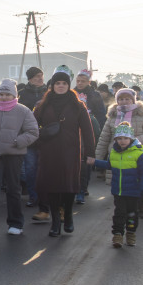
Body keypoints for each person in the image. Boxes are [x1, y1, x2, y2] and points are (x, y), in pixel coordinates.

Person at [32, 70, 95, 237]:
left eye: (64, 83)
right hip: (49, 151)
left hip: (71, 151)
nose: (61, 86)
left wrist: (90, 153)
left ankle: (67, 216)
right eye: (58, 83)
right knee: (52, 186)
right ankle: (55, 222)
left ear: (69, 86)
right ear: (52, 86)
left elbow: (88, 131)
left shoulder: (78, 105)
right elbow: (32, 126)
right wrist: (39, 142)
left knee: (69, 186)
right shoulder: (42, 105)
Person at [0, 79, 39, 237]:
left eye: (7, 94)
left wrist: (18, 142)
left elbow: (33, 132)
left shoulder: (23, 111)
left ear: (14, 95)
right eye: (1, 94)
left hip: (14, 156)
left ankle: (15, 223)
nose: (3, 97)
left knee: (13, 189)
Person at [93, 122, 143, 247]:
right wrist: (95, 162)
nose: (122, 141)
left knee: (132, 214)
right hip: (118, 191)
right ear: (115, 139)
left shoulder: (139, 154)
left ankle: (131, 232)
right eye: (119, 138)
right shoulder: (114, 152)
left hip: (134, 192)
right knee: (119, 213)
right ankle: (118, 235)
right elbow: (109, 165)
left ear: (131, 138)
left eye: (125, 138)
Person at [95, 89, 143, 161]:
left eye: (127, 99)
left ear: (133, 100)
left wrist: (134, 141)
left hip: (137, 155)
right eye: (121, 99)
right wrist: (98, 159)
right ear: (117, 101)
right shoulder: (112, 116)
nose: (124, 101)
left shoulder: (142, 114)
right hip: (115, 155)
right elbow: (104, 139)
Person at [18, 66, 47, 211]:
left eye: (41, 75)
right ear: (30, 79)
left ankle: (46, 196)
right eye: (36, 76)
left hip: (46, 136)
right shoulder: (22, 94)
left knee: (46, 167)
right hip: (28, 135)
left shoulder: (49, 92)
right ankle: (33, 195)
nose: (40, 78)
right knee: (30, 167)